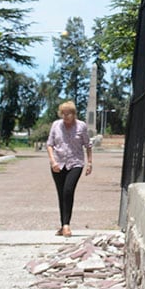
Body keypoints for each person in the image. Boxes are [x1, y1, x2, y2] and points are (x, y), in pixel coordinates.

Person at [46, 100, 92, 237]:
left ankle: (66, 225)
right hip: (58, 163)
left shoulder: (81, 126)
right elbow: (50, 144)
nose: (66, 116)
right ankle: (63, 225)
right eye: (63, 113)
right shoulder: (56, 125)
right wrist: (52, 161)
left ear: (74, 114)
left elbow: (88, 145)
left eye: (69, 113)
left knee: (68, 190)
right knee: (61, 194)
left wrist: (89, 163)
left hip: (75, 162)